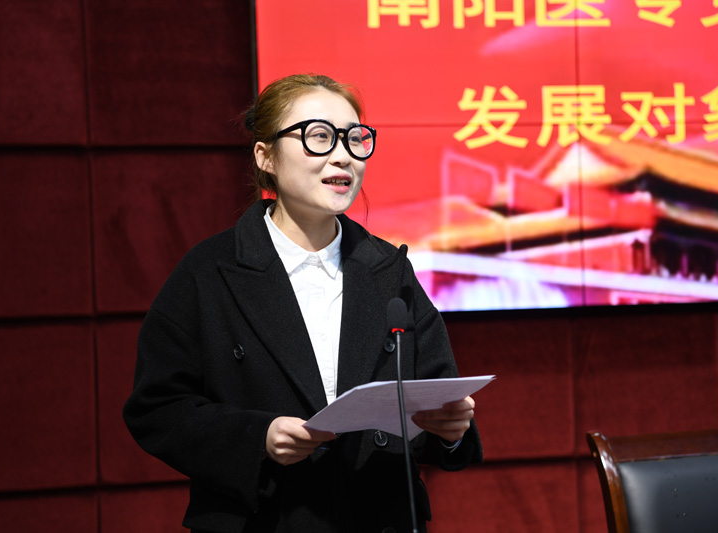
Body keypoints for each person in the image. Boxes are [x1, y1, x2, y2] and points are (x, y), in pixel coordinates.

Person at [123, 73, 482, 532]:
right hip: (265, 520)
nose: (343, 155)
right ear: (265, 156)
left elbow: (437, 394)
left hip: (378, 518)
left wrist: (451, 430)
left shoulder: (390, 270)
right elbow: (157, 407)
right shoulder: (209, 272)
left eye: (355, 138)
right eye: (319, 136)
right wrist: (259, 437)